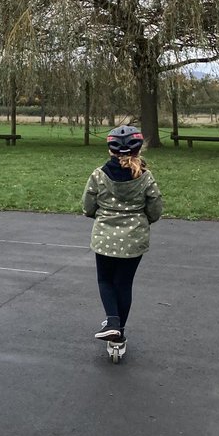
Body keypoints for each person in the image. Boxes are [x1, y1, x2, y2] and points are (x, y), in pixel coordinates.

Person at [82, 125, 163, 344]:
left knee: (105, 280)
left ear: (111, 150)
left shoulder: (98, 175)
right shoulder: (146, 177)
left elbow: (88, 206)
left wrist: (100, 214)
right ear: (139, 149)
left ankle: (112, 322)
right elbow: (155, 210)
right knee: (124, 284)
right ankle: (119, 331)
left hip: (105, 238)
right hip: (134, 239)